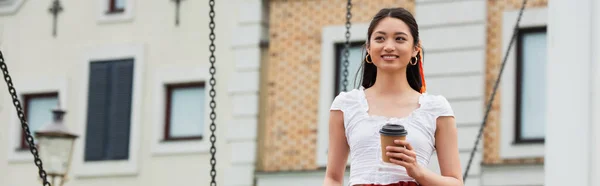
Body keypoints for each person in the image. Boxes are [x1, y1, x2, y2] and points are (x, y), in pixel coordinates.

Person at [322, 7, 463, 186]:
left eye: (400, 39)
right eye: (380, 38)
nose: (388, 46)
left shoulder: (436, 108)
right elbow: (333, 178)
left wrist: (418, 172)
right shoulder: (345, 105)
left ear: (415, 49)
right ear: (368, 48)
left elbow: (456, 182)